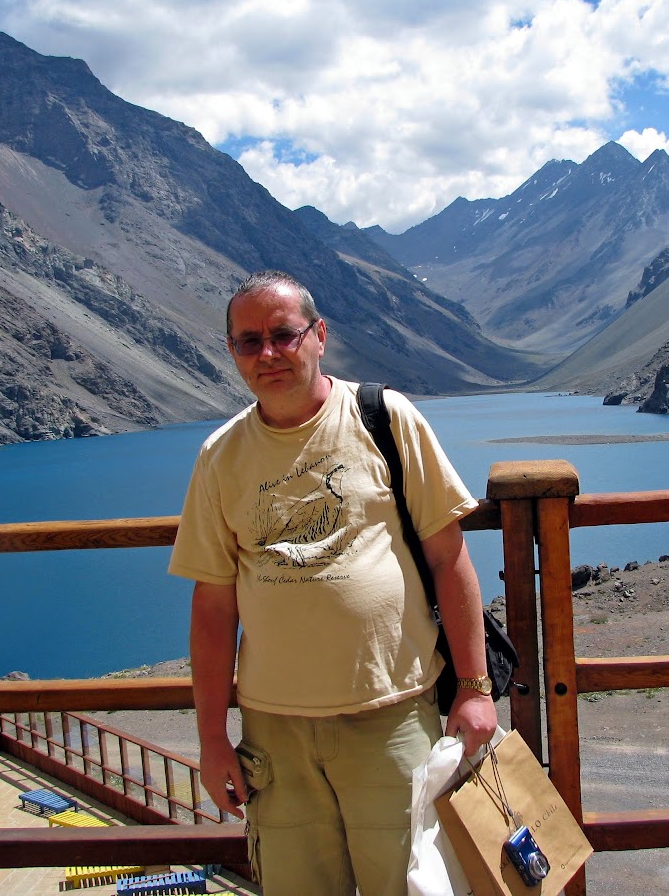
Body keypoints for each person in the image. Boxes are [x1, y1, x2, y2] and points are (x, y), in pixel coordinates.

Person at [168, 269, 497, 895]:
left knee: (414, 885)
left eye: (284, 335)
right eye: (249, 341)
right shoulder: (220, 456)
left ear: (319, 335)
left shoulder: (385, 418)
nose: (268, 353)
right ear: (232, 351)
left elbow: (448, 557)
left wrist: (475, 688)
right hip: (275, 734)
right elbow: (212, 605)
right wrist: (212, 738)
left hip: (393, 716)